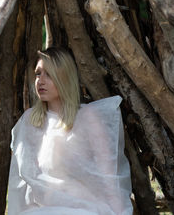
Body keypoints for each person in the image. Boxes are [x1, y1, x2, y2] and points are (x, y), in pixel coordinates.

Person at [8, 47, 133, 215]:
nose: (41, 81)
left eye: (49, 74)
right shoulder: (30, 120)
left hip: (85, 207)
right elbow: (22, 177)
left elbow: (108, 175)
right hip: (43, 208)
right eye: (38, 74)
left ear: (65, 78)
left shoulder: (88, 117)